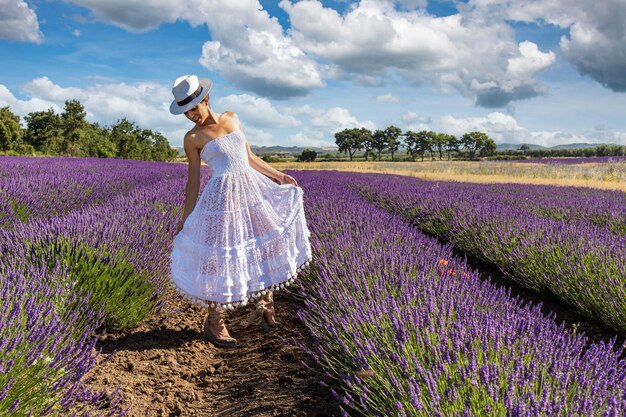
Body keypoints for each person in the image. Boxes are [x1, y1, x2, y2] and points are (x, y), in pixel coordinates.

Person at [168, 75, 312, 348]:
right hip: (221, 200)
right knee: (218, 255)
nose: (190, 115)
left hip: (251, 191)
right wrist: (186, 218)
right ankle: (214, 321)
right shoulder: (192, 138)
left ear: (205, 100)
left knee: (263, 242)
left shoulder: (232, 118)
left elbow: (249, 157)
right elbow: (193, 181)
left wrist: (279, 176)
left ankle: (265, 303)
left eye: (193, 108)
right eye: (185, 111)